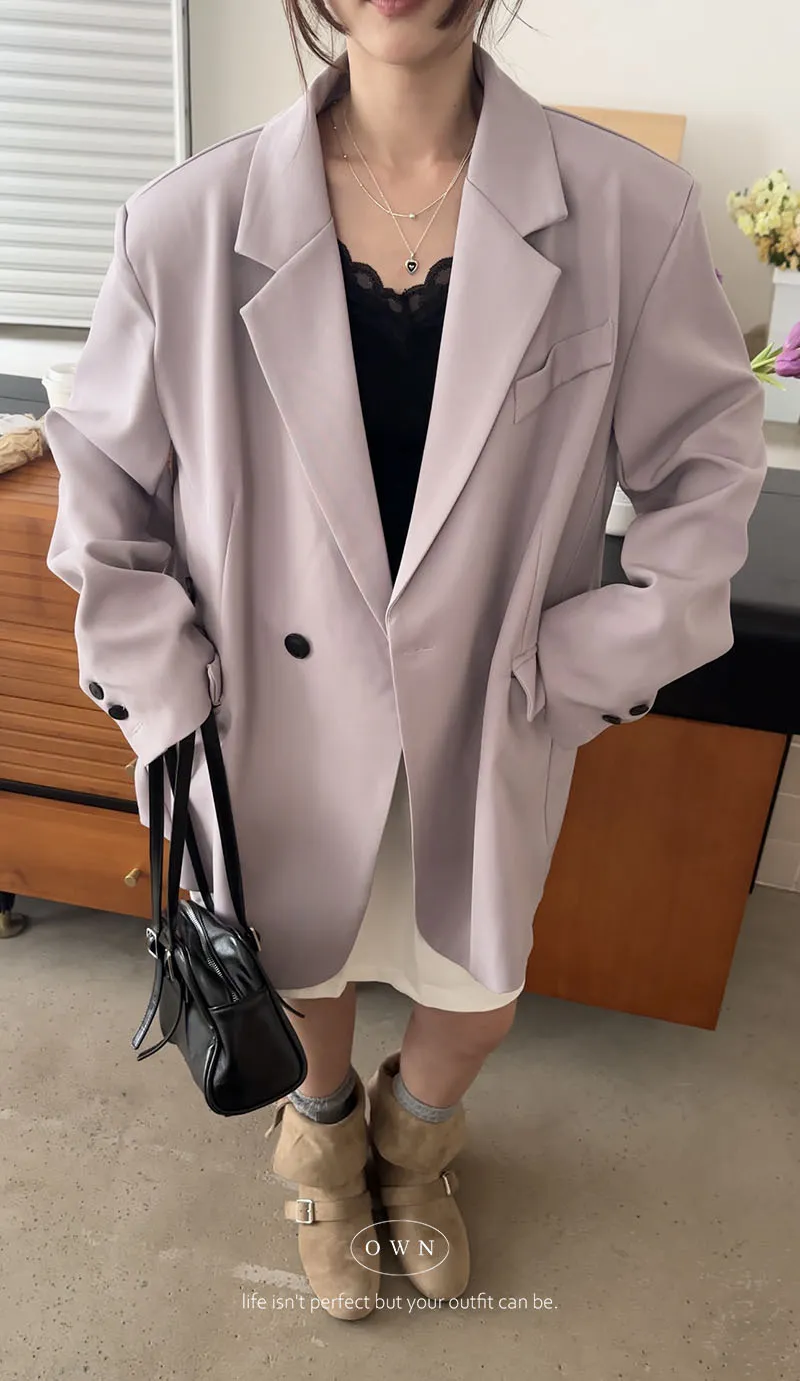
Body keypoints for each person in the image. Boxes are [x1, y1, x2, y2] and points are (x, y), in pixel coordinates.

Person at [44, 0, 768, 1325]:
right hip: (269, 717)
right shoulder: (185, 223)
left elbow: (710, 468)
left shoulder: (631, 210)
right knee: (298, 965)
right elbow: (103, 501)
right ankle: (322, 1145)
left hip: (488, 706)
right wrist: (169, 698)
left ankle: (417, 1144)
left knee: (475, 991)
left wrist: (589, 660)